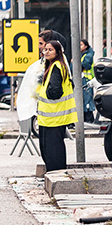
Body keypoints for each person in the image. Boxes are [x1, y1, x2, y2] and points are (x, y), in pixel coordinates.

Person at [36, 36, 77, 172]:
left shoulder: (57, 67)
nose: (46, 52)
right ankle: (55, 172)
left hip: (54, 116)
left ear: (58, 52)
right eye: (45, 50)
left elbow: (55, 91)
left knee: (52, 149)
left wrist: (48, 92)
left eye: (50, 50)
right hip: (51, 117)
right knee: (50, 148)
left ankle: (56, 173)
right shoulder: (55, 65)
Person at [80, 39, 97, 123]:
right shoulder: (81, 55)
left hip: (87, 79)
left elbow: (85, 66)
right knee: (83, 100)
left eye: (81, 45)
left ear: (86, 46)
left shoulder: (88, 55)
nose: (79, 47)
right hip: (82, 79)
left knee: (87, 100)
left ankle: (89, 119)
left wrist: (77, 63)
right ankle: (87, 119)